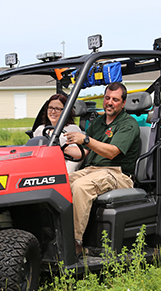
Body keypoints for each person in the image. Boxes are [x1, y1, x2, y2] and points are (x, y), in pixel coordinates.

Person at [64, 82, 140, 256]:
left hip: (117, 173)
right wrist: (61, 148)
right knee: (61, 183)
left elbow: (112, 152)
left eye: (115, 99)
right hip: (93, 170)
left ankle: (75, 243)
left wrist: (85, 139)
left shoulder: (128, 124)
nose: (109, 102)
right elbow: (84, 152)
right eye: (107, 98)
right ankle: (57, 234)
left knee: (81, 186)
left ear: (123, 102)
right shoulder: (98, 123)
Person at [33, 93, 83, 173]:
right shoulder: (40, 129)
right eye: (50, 108)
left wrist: (58, 149)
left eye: (57, 109)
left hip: (64, 166)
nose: (53, 112)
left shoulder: (72, 129)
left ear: (65, 111)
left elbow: (79, 154)